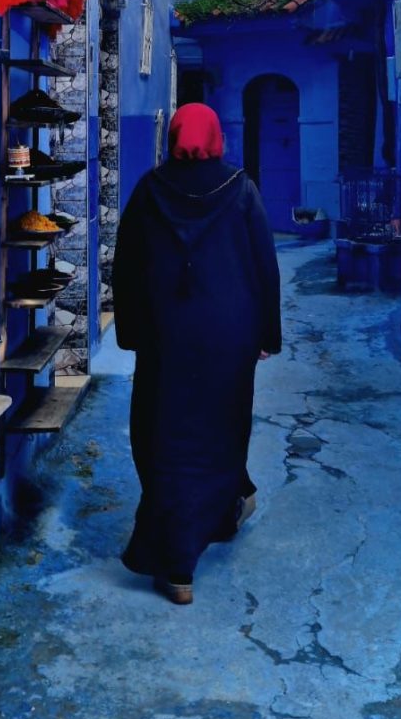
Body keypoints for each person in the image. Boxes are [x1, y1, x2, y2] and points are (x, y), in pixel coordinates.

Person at [112, 102, 281, 605]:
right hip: (228, 337)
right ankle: (215, 519)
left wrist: (131, 333)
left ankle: (180, 555)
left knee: (163, 435)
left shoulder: (150, 189)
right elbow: (264, 267)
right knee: (221, 429)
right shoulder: (241, 190)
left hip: (168, 338)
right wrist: (266, 335)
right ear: (216, 138)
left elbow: (126, 266)